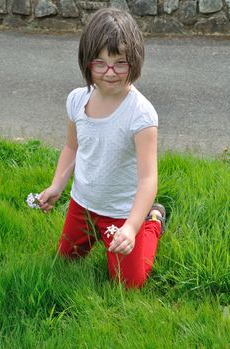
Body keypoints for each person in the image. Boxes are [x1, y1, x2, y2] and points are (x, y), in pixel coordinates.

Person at [38, 7, 166, 289]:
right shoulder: (76, 101)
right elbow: (72, 147)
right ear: (87, 62)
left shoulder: (141, 115)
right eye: (100, 63)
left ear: (135, 61)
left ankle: (153, 221)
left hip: (120, 212)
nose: (110, 72)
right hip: (81, 205)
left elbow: (148, 178)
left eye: (121, 63)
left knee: (128, 283)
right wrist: (57, 186)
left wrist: (132, 227)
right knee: (66, 261)